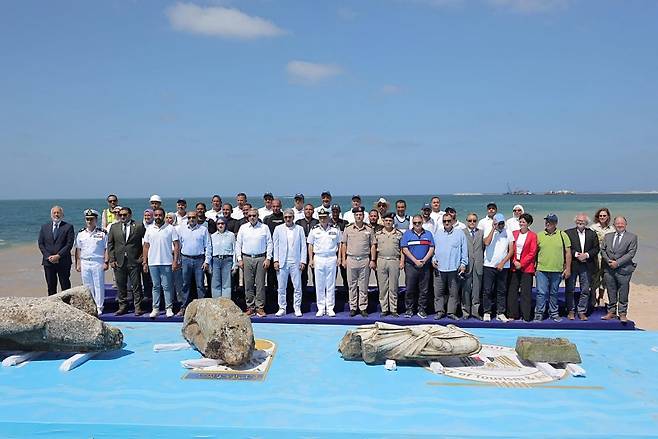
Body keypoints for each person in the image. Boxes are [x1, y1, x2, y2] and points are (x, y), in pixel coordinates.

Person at [107, 207, 147, 315]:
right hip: (119, 261)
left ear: (130, 215)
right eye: (120, 215)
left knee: (136, 285)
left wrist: (142, 256)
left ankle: (138, 307)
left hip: (134, 260)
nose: (122, 217)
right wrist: (112, 259)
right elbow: (110, 244)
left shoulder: (138, 226)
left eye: (125, 215)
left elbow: (146, 240)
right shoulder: (114, 227)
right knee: (121, 285)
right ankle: (122, 307)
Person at [143, 207, 180, 318]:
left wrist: (175, 261)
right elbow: (146, 246)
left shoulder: (170, 228)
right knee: (155, 286)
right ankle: (155, 309)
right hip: (153, 262)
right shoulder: (149, 229)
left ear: (163, 216)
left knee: (167, 286)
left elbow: (176, 245)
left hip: (166, 262)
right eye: (156, 215)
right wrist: (145, 262)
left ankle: (169, 308)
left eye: (160, 215)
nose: (158, 217)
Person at [534, 213, 572, 322]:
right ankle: (539, 313)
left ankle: (554, 313)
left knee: (554, 293)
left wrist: (568, 268)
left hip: (557, 270)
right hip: (541, 270)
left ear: (555, 223)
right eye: (546, 221)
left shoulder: (562, 235)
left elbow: (568, 253)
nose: (547, 223)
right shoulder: (539, 235)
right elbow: (534, 252)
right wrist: (534, 266)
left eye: (550, 221)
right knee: (541, 293)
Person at [236, 208, 273, 317]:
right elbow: (238, 244)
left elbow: (269, 243)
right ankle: (250, 307)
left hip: (260, 258)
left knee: (260, 284)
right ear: (247, 217)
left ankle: (260, 307)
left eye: (254, 215)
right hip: (246, 258)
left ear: (258, 216)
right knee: (248, 284)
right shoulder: (243, 228)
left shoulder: (264, 227)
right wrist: (239, 259)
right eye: (250, 216)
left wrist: (268, 258)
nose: (252, 217)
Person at [341, 206, 377, 317]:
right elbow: (344, 244)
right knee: (351, 285)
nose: (359, 216)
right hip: (351, 259)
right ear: (354, 216)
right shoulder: (348, 229)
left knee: (363, 285)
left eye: (360, 215)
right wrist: (343, 259)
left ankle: (363, 307)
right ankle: (353, 307)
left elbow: (373, 245)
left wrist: (373, 260)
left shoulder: (369, 229)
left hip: (364, 259)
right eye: (357, 215)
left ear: (363, 216)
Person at [601, 216, 638, 323]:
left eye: (622, 223)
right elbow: (602, 250)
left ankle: (622, 313)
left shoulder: (632, 237)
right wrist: (608, 261)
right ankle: (611, 312)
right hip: (609, 269)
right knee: (611, 291)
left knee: (623, 292)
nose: (620, 225)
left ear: (626, 225)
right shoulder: (608, 236)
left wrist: (617, 263)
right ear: (614, 225)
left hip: (624, 269)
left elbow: (631, 253)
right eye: (617, 223)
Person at [432, 213, 468, 320]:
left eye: (449, 221)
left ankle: (451, 312)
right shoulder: (437, 233)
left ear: (452, 221)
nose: (447, 223)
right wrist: (433, 259)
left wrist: (463, 264)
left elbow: (464, 250)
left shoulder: (460, 233)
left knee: (454, 293)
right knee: (438, 292)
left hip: (454, 268)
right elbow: (433, 249)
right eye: (444, 221)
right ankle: (439, 311)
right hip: (439, 268)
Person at [564, 213, 600, 320]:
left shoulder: (592, 234)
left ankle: (581, 311)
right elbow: (566, 248)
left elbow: (596, 248)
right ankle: (570, 310)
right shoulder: (568, 233)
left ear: (586, 223)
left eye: (582, 221)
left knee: (585, 289)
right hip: (573, 264)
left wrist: (586, 255)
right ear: (575, 221)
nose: (580, 222)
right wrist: (576, 254)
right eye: (578, 220)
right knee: (570, 289)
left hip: (587, 265)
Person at [307, 207, 342, 317]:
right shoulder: (314, 229)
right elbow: (310, 245)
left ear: (328, 217)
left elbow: (340, 244)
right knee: (319, 284)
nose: (323, 219)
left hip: (331, 257)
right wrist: (311, 259)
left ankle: (330, 308)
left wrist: (339, 258)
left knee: (331, 284)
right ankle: (321, 308)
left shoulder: (335, 229)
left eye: (325, 217)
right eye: (321, 217)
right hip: (319, 258)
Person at [272, 209, 307, 317]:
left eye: (290, 217)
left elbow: (303, 246)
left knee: (297, 287)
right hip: (282, 262)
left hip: (295, 262)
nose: (288, 219)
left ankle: (297, 307)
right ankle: (282, 308)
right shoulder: (278, 229)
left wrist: (303, 261)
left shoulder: (299, 229)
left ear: (293, 217)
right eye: (286, 217)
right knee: (281, 287)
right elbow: (275, 246)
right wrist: (276, 260)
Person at [177, 210, 212, 315]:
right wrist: (178, 260)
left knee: (200, 285)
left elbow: (208, 246)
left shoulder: (203, 230)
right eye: (189, 217)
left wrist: (207, 261)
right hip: (185, 259)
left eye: (193, 217)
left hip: (199, 260)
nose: (191, 219)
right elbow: (178, 246)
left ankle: (201, 308)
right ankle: (184, 307)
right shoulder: (182, 230)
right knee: (185, 284)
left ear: (197, 218)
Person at [74, 209, 108, 315]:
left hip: (97, 261)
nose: (89, 221)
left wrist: (106, 261)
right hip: (84, 262)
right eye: (87, 219)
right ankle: (91, 305)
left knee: (98, 285)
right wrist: (78, 263)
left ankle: (99, 306)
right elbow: (78, 249)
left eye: (91, 219)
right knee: (87, 286)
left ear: (96, 220)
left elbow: (107, 248)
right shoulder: (81, 234)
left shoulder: (102, 233)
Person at [400, 215, 435, 318]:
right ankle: (409, 309)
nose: (417, 225)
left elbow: (431, 248)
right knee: (410, 288)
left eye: (419, 222)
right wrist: (415, 261)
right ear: (412, 223)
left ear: (422, 223)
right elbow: (405, 249)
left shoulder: (428, 234)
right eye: (415, 223)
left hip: (425, 266)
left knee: (424, 289)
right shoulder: (407, 234)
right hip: (411, 265)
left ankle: (422, 309)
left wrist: (424, 260)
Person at [482, 213, 514, 322]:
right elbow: (486, 242)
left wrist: (502, 263)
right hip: (489, 265)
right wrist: (493, 229)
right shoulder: (489, 230)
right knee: (487, 290)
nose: (500, 225)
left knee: (501, 290)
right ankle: (487, 312)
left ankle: (500, 312)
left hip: (503, 266)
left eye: (502, 223)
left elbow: (511, 251)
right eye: (498, 223)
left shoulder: (508, 232)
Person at [38, 205, 75, 295]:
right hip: (48, 262)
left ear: (62, 214)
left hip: (63, 261)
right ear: (51, 215)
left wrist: (58, 256)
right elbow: (41, 243)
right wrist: (48, 256)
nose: (56, 214)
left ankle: (66, 303)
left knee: (65, 286)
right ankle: (52, 303)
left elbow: (69, 244)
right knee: (51, 286)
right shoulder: (44, 227)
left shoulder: (68, 227)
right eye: (54, 213)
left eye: (58, 213)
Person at [507, 213, 537, 322]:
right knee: (512, 291)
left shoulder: (533, 235)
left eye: (524, 222)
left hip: (526, 268)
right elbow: (510, 249)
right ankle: (512, 314)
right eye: (520, 221)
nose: (521, 223)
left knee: (526, 292)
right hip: (514, 266)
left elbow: (532, 252)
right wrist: (514, 261)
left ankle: (526, 315)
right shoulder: (514, 233)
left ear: (528, 223)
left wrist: (522, 263)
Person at [376, 213, 403, 317]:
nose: (388, 222)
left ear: (393, 222)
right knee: (383, 286)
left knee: (393, 286)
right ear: (383, 221)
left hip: (394, 260)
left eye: (390, 221)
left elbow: (402, 249)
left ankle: (393, 308)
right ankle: (384, 308)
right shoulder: (378, 234)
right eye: (386, 220)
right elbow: (373, 247)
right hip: (381, 260)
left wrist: (402, 261)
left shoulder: (399, 234)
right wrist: (373, 260)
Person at [590, 207, 615, 307]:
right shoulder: (593, 228)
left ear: (608, 217)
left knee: (604, 277)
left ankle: (600, 297)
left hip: (607, 256)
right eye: (600, 215)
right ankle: (593, 296)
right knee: (594, 276)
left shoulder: (612, 229)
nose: (602, 217)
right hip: (595, 256)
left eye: (604, 215)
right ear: (597, 217)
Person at [462, 213, 484, 319]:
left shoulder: (481, 232)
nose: (472, 222)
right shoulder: (462, 232)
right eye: (470, 220)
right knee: (466, 289)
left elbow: (484, 247)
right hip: (466, 265)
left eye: (474, 220)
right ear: (466, 221)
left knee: (476, 289)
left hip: (478, 265)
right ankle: (465, 311)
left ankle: (476, 312)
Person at [210, 217, 237, 299]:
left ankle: (226, 303)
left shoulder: (231, 235)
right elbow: (210, 251)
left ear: (225, 224)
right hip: (215, 260)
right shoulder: (212, 236)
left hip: (227, 260)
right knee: (215, 283)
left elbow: (235, 250)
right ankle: (216, 303)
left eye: (222, 223)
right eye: (218, 224)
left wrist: (235, 264)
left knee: (227, 283)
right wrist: (210, 265)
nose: (220, 225)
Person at [296, 203, 319, 291]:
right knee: (302, 273)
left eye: (310, 209)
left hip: (314, 251)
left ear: (313, 211)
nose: (308, 211)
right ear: (304, 211)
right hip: (302, 251)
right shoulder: (299, 222)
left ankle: (316, 292)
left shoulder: (317, 222)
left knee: (316, 273)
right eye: (306, 209)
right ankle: (303, 292)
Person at [165, 212, 185, 305]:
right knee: (168, 281)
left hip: (176, 256)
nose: (169, 220)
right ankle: (170, 301)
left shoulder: (178, 228)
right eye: (167, 218)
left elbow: (180, 243)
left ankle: (180, 301)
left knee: (178, 281)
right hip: (166, 256)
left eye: (171, 218)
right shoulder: (164, 229)